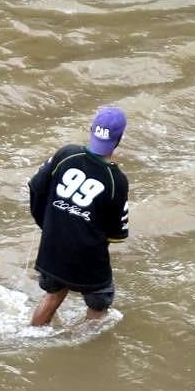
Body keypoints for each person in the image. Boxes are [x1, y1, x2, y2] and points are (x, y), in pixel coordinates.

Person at [27, 106, 130, 326]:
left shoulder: (66, 154)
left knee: (53, 296)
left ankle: (32, 336)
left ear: (92, 130)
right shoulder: (116, 180)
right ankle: (88, 349)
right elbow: (117, 234)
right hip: (89, 260)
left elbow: (36, 187)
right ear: (119, 139)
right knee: (98, 305)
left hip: (52, 248)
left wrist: (46, 223)